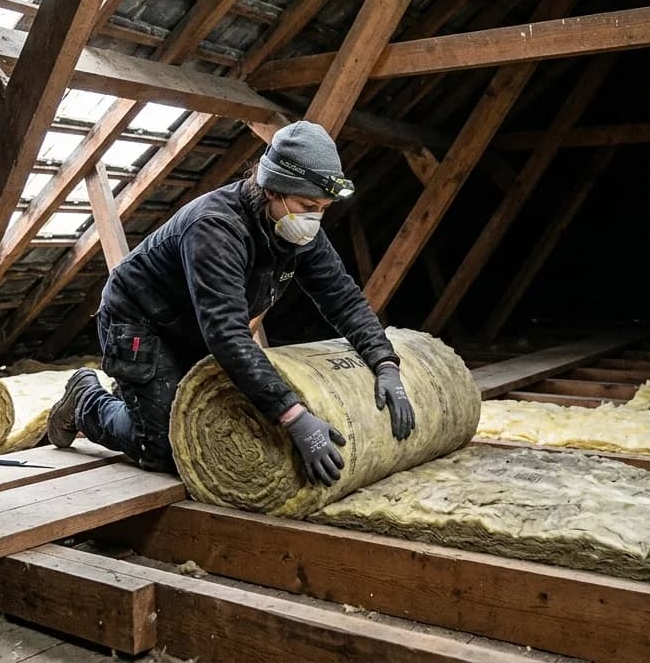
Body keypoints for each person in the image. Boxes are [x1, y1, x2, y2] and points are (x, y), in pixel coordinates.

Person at [46, 121, 414, 485]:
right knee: (163, 447)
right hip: (141, 319)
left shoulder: (298, 231)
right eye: (307, 205)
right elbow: (227, 333)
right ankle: (85, 399)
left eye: (322, 208)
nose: (314, 218)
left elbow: (342, 296)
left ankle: (138, 395)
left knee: (208, 419)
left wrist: (384, 362)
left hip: (194, 322)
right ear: (272, 190)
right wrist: (294, 416)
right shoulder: (215, 228)